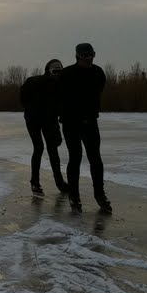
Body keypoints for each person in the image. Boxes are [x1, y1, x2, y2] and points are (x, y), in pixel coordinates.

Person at [59, 42, 111, 213]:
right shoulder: (66, 74)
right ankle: (74, 195)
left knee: (95, 157)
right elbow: (57, 98)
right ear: (77, 56)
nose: (89, 59)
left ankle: (99, 194)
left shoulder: (98, 73)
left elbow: (99, 92)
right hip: (70, 123)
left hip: (90, 122)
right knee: (75, 157)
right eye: (85, 56)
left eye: (92, 55)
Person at [20, 59, 69, 196]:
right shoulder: (48, 83)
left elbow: (58, 107)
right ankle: (37, 182)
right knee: (40, 148)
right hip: (34, 119)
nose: (58, 73)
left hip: (44, 119)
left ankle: (55, 183)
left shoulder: (58, 84)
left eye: (60, 71)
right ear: (48, 70)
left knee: (50, 149)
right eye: (55, 71)